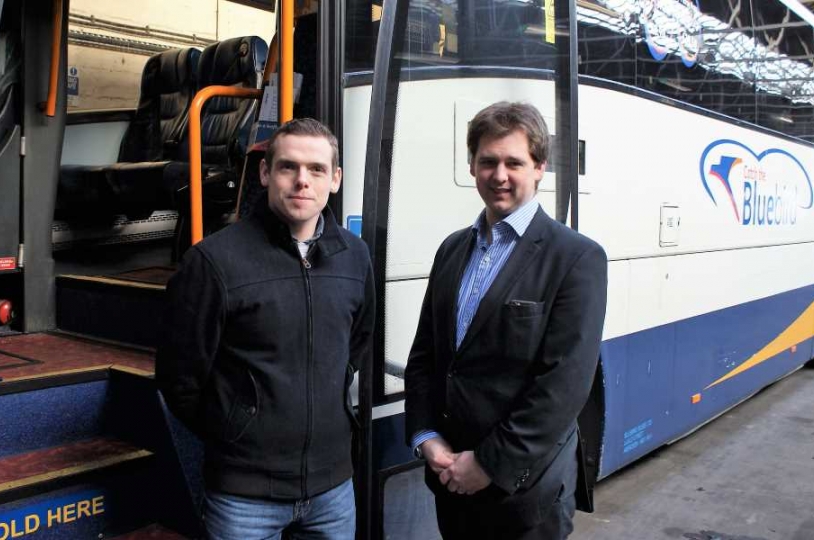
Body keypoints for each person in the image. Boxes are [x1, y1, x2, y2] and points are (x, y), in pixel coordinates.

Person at [157, 118, 375, 540]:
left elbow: (357, 344)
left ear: (335, 179)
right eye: (287, 167)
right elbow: (178, 377)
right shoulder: (214, 262)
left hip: (333, 490)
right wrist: (237, 429)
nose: (301, 181)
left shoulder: (355, 257)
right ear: (264, 173)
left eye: (316, 169)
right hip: (244, 498)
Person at [404, 101, 608, 540]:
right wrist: (427, 437)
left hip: (524, 497)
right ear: (472, 166)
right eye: (487, 161)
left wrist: (487, 464)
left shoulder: (576, 258)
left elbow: (563, 386)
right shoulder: (452, 250)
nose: (499, 175)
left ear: (539, 167)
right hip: (450, 481)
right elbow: (426, 356)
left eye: (514, 162)